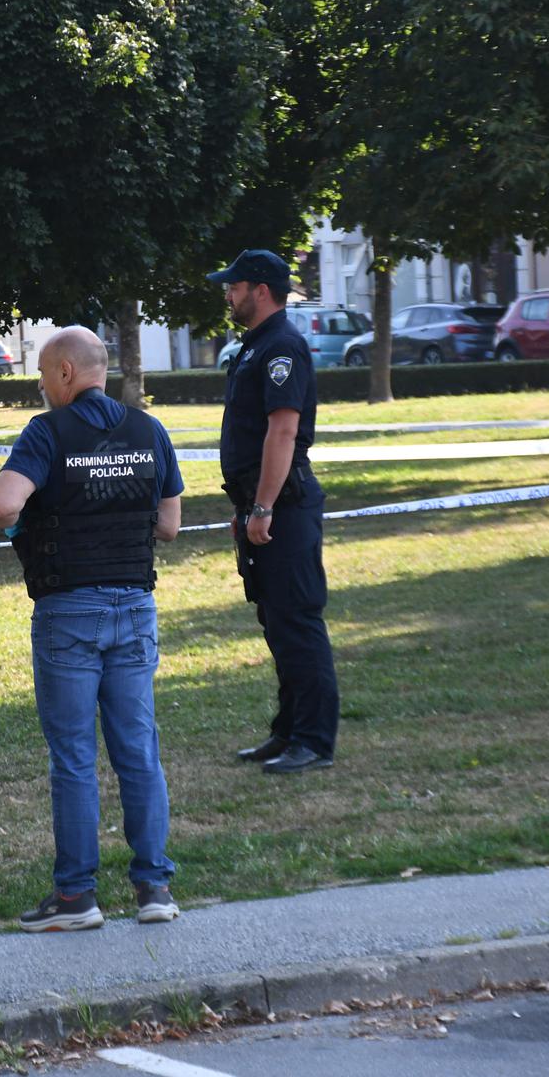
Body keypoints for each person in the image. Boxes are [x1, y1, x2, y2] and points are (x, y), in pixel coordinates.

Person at [0, 326, 184, 932]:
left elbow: (1, 505)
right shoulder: (149, 430)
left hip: (70, 610)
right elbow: (170, 526)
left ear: (67, 372)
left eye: (44, 374)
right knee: (138, 750)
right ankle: (154, 889)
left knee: (73, 756)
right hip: (135, 607)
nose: (42, 386)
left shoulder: (48, 432)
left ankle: (77, 898)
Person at [208, 249, 341, 775]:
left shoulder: (282, 347)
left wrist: (262, 505)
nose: (228, 293)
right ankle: (287, 732)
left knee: (297, 621)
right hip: (261, 506)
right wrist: (245, 508)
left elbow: (282, 432)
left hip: (284, 505)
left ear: (260, 290)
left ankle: (313, 740)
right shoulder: (255, 347)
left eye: (234, 285)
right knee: (277, 622)